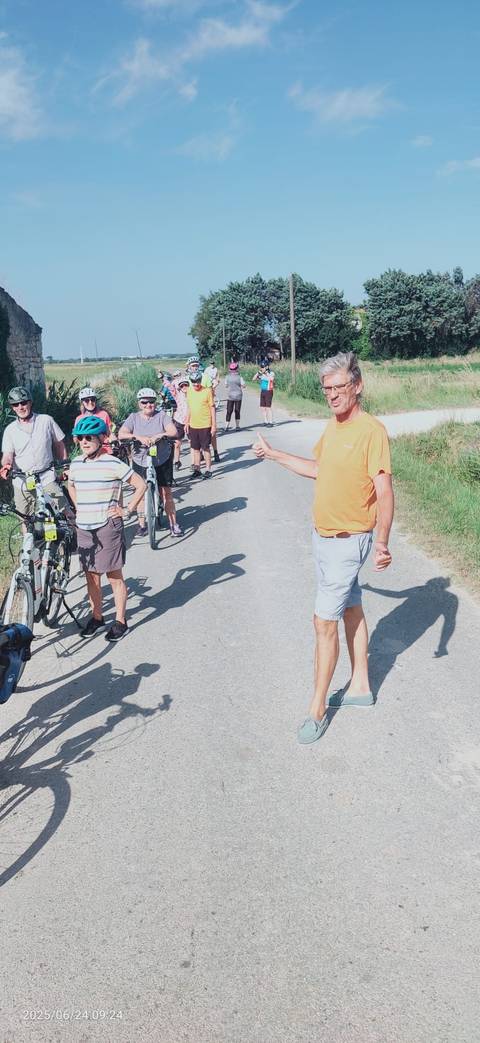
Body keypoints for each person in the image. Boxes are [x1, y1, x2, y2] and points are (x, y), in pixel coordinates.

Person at [253, 351, 394, 745]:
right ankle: (361, 685)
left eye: (339, 388)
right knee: (350, 606)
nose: (332, 395)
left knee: (322, 621)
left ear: (358, 386)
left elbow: (384, 490)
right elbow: (318, 469)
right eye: (326, 389)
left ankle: (317, 707)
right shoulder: (334, 428)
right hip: (325, 538)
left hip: (349, 542)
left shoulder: (371, 431)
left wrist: (382, 541)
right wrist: (274, 454)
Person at [68, 416, 146, 641]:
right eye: (81, 438)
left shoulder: (112, 463)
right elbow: (71, 485)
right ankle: (97, 617)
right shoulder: (76, 463)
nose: (84, 442)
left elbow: (140, 484)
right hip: (84, 527)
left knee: (114, 575)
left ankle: (121, 621)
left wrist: (127, 510)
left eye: (89, 437)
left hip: (107, 527)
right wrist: (78, 507)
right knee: (91, 576)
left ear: (101, 438)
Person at [117, 388, 183, 537]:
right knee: (140, 492)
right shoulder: (133, 418)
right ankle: (142, 525)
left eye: (151, 402)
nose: (148, 405)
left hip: (162, 458)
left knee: (166, 492)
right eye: (144, 402)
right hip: (140, 459)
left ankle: (174, 524)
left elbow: (173, 432)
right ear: (139, 404)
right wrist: (136, 437)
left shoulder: (162, 416)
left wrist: (161, 435)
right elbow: (122, 434)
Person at [0, 385, 69, 516]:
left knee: (65, 511)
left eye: (23, 402)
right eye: (15, 405)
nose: (20, 407)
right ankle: (29, 537)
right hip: (23, 481)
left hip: (47, 477)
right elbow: (8, 454)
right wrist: (6, 466)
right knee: (25, 518)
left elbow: (59, 444)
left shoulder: (46, 420)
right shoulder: (10, 430)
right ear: (12, 408)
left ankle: (76, 535)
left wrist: (65, 467)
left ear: (30, 402)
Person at [185, 370, 216, 479]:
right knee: (195, 448)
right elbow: (189, 408)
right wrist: (186, 422)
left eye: (197, 381)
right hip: (193, 424)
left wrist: (213, 425)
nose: (196, 384)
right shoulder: (189, 391)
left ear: (200, 380)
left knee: (205, 448)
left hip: (205, 424)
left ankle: (208, 469)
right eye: (193, 382)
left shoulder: (207, 391)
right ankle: (197, 469)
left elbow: (212, 408)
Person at [75, 387, 114, 452]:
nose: (90, 402)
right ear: (82, 403)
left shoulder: (104, 414)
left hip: (105, 449)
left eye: (92, 399)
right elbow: (76, 439)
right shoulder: (79, 419)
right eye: (87, 400)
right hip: (89, 450)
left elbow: (109, 433)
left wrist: (114, 440)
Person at [172, 376, 189, 470]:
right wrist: (163, 378)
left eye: (186, 385)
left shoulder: (193, 395)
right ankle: (176, 461)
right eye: (182, 386)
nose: (184, 387)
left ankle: (195, 462)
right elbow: (170, 388)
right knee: (177, 443)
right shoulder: (177, 395)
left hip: (190, 421)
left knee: (193, 443)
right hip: (179, 421)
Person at [253, 360, 275, 426]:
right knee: (263, 407)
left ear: (267, 367)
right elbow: (253, 379)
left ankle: (270, 422)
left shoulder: (271, 373)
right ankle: (265, 421)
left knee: (268, 407)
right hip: (263, 391)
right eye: (261, 367)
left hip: (269, 391)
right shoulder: (261, 374)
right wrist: (258, 373)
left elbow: (271, 379)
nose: (261, 368)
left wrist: (266, 373)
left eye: (263, 367)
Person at [224, 362, 246, 431]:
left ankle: (226, 426)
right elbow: (244, 385)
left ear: (230, 369)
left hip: (230, 396)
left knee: (229, 411)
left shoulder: (227, 377)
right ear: (237, 369)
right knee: (237, 411)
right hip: (238, 396)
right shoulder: (240, 377)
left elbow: (226, 385)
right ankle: (237, 426)